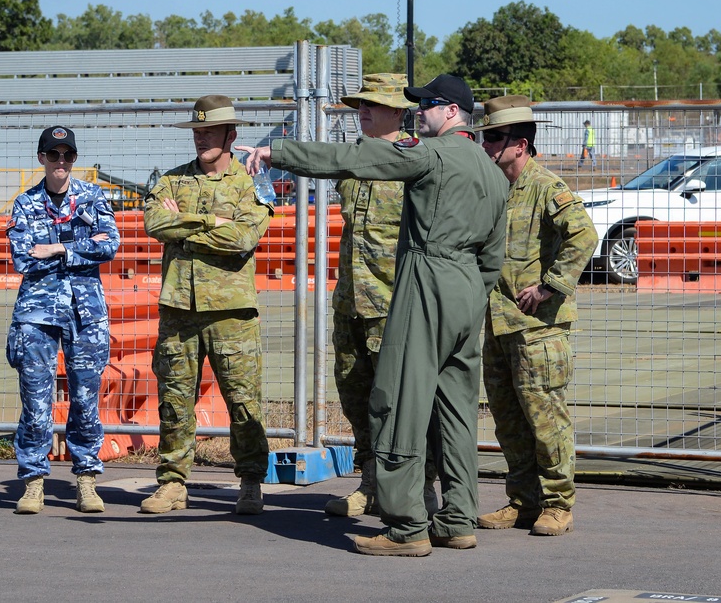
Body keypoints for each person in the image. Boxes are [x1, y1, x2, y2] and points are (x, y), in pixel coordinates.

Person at [239, 74, 508, 556]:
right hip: (469, 288)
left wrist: (279, 153)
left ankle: (406, 527)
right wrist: (469, 292)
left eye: (425, 105)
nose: (418, 113)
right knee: (458, 409)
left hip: (428, 276)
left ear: (451, 112)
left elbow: (352, 157)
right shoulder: (491, 170)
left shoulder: (431, 155)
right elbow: (494, 255)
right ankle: (458, 517)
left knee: (400, 399)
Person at [140, 94, 273, 516]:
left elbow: (244, 239)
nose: (201, 139)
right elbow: (154, 222)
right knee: (175, 399)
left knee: (242, 401)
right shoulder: (172, 181)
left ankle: (251, 480)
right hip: (179, 309)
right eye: (197, 132)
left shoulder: (253, 182)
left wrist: (184, 228)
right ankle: (173, 482)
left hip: (231, 312)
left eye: (210, 131)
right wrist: (213, 221)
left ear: (232, 135)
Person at [476, 95, 598, 536]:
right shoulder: (493, 187)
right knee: (509, 420)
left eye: (494, 137)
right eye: (483, 137)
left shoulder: (547, 187)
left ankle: (557, 503)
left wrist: (551, 285)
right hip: (498, 323)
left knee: (546, 418)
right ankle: (523, 500)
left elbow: (583, 235)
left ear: (520, 144)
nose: (486, 145)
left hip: (538, 329)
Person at [321, 73, 433, 518]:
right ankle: (369, 482)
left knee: (401, 402)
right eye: (358, 104)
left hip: (393, 306)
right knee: (355, 394)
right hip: (351, 303)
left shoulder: (419, 159)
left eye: (371, 103)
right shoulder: (354, 162)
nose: (361, 110)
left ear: (397, 112)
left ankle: (415, 488)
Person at [5, 125, 120, 515]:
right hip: (36, 314)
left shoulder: (92, 196)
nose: (61, 162)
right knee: (36, 402)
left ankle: (86, 480)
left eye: (67, 155)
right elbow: (22, 257)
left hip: (85, 312)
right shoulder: (25, 203)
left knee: (86, 399)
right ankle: (33, 482)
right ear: (42, 158)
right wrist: (81, 249)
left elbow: (111, 245)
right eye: (53, 155)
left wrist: (58, 248)